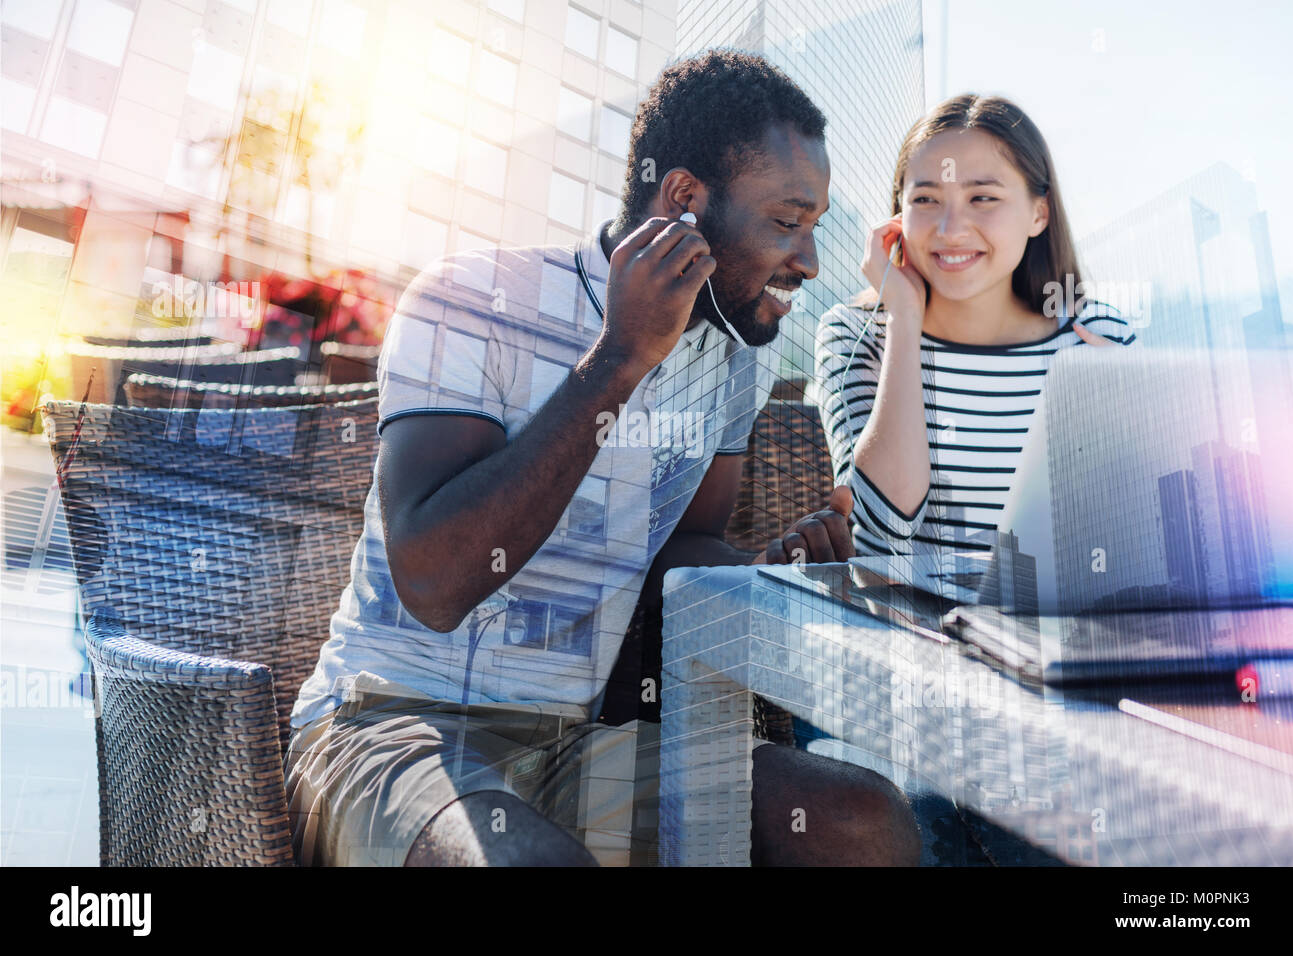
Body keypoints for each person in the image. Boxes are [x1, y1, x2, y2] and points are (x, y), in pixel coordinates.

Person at [284, 49, 921, 867]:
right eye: (786, 222)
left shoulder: (731, 361)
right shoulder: (470, 302)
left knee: (855, 819)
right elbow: (434, 582)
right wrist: (621, 357)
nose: (809, 260)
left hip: (575, 749)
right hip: (390, 730)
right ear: (686, 200)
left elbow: (677, 556)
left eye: (815, 225)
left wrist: (760, 569)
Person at [810, 94, 1137, 561]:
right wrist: (904, 317)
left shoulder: (1099, 337)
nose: (950, 228)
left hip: (1057, 629)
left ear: (1038, 214)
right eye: (925, 199)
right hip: (902, 630)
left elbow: (1129, 532)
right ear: (897, 215)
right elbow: (887, 527)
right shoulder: (855, 334)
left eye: (982, 198)